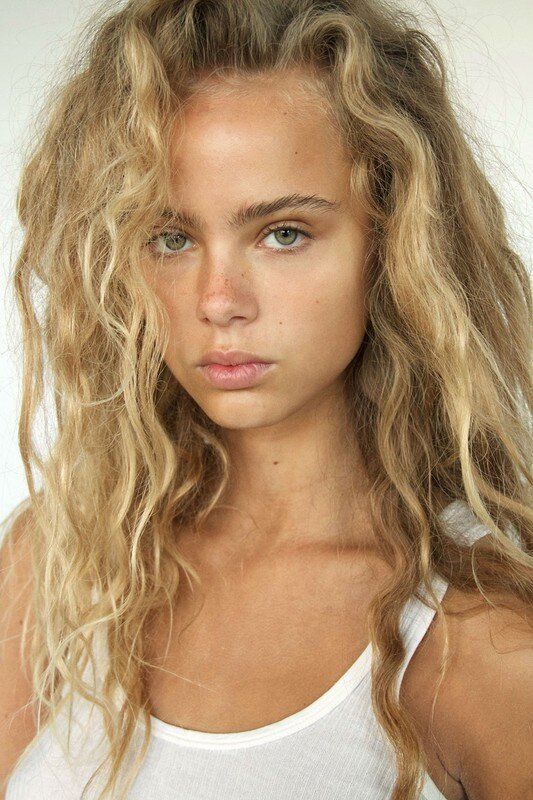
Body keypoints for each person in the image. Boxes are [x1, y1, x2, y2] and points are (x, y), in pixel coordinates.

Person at [1, 1, 531, 799]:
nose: (218, 300)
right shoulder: (63, 557)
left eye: (282, 232)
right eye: (171, 238)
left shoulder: (481, 641)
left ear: (394, 242)